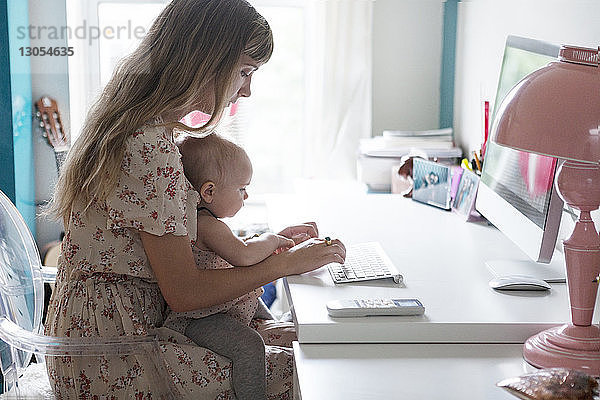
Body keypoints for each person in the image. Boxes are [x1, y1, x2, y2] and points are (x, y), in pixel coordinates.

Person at [45, 0, 346, 398]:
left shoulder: (141, 128)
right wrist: (284, 266)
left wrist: (268, 248)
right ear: (205, 60)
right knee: (313, 371)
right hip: (113, 353)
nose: (247, 90)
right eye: (244, 71)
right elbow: (185, 294)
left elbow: (181, 243)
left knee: (289, 342)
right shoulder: (149, 148)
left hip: (92, 333)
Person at [165, 133, 296, 400]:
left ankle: (275, 327)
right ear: (209, 191)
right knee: (249, 345)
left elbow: (236, 251)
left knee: (252, 295)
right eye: (241, 189)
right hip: (198, 319)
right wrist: (273, 239)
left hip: (215, 307)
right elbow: (244, 256)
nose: (246, 195)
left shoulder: (204, 221)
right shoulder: (206, 224)